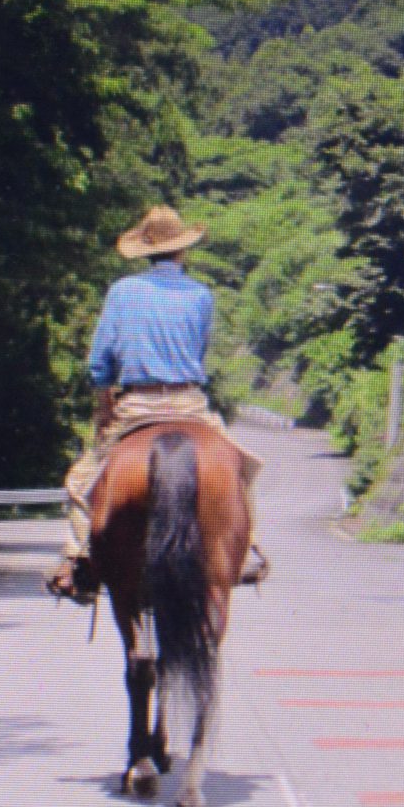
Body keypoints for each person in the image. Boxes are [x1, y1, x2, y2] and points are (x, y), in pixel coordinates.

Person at [46, 205, 269, 603]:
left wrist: (103, 402)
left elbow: (100, 361)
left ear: (146, 251)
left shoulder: (122, 291)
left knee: (81, 482)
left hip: (136, 406)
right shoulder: (201, 296)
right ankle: (245, 550)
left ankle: (78, 560)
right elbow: (198, 355)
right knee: (239, 471)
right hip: (189, 402)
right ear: (182, 250)